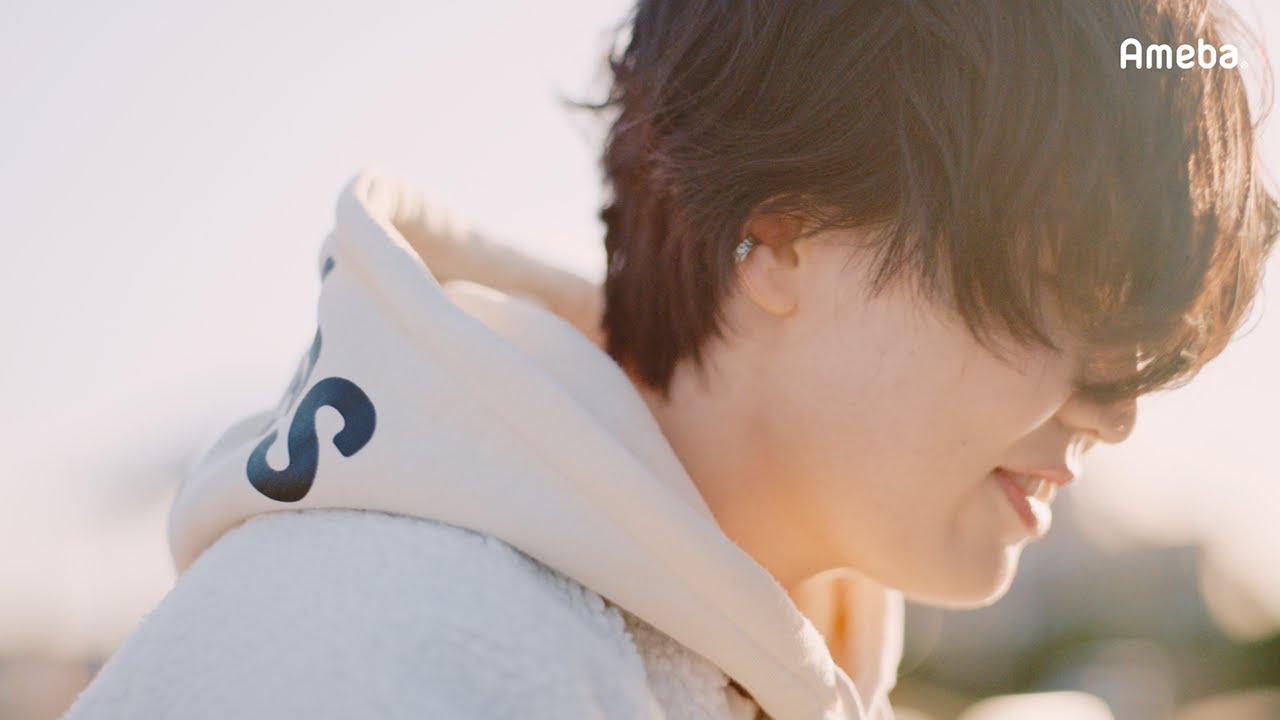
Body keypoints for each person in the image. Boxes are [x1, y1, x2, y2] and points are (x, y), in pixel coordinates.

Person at [63, 1, 1276, 718]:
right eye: (1068, 299)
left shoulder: (673, 641)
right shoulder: (382, 656)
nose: (1113, 415)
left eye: (1140, 351)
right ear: (780, 238)